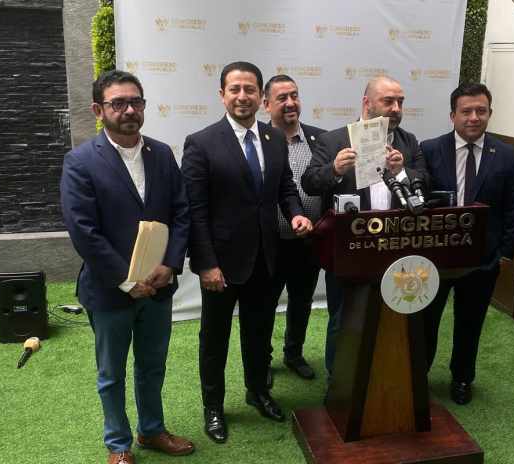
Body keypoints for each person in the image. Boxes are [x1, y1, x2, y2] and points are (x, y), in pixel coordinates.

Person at [60, 70, 193, 464]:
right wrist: (127, 280)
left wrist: (170, 265)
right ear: (99, 110)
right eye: (118, 103)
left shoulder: (162, 154)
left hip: (159, 287)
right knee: (111, 374)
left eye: (136, 102)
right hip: (109, 291)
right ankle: (118, 445)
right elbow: (84, 232)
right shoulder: (80, 161)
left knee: (152, 367)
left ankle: (151, 431)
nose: (129, 110)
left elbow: (181, 213)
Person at [181, 61, 312, 444]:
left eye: (250, 89)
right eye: (234, 89)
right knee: (215, 339)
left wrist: (298, 214)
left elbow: (285, 187)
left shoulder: (273, 138)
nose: (243, 96)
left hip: (265, 260)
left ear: (260, 96)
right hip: (220, 265)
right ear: (222, 95)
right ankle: (214, 407)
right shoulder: (201, 142)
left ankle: (258, 392)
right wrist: (206, 263)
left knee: (258, 333)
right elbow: (196, 210)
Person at [301, 75, 429, 378]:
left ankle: (385, 378)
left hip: (397, 249)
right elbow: (309, 183)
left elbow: (425, 178)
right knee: (343, 318)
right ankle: (338, 380)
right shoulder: (333, 140)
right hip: (348, 249)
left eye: (400, 102)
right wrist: (333, 169)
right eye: (389, 101)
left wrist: (404, 172)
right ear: (367, 102)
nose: (396, 108)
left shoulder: (408, 141)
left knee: (395, 314)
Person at [420, 82, 514, 405]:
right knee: (425, 322)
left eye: (481, 111)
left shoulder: (505, 154)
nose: (474, 117)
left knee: (470, 322)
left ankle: (462, 378)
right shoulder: (430, 149)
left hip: (482, 259)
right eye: (466, 111)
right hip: (437, 258)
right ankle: (416, 375)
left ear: (489, 113)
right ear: (453, 115)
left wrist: (505, 253)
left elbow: (511, 208)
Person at [262, 74, 326, 381]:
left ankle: (294, 353)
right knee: (264, 304)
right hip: (269, 244)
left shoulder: (321, 140)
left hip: (308, 242)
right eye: (282, 98)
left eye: (295, 96)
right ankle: (262, 358)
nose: (290, 103)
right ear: (266, 105)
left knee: (301, 301)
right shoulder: (258, 141)